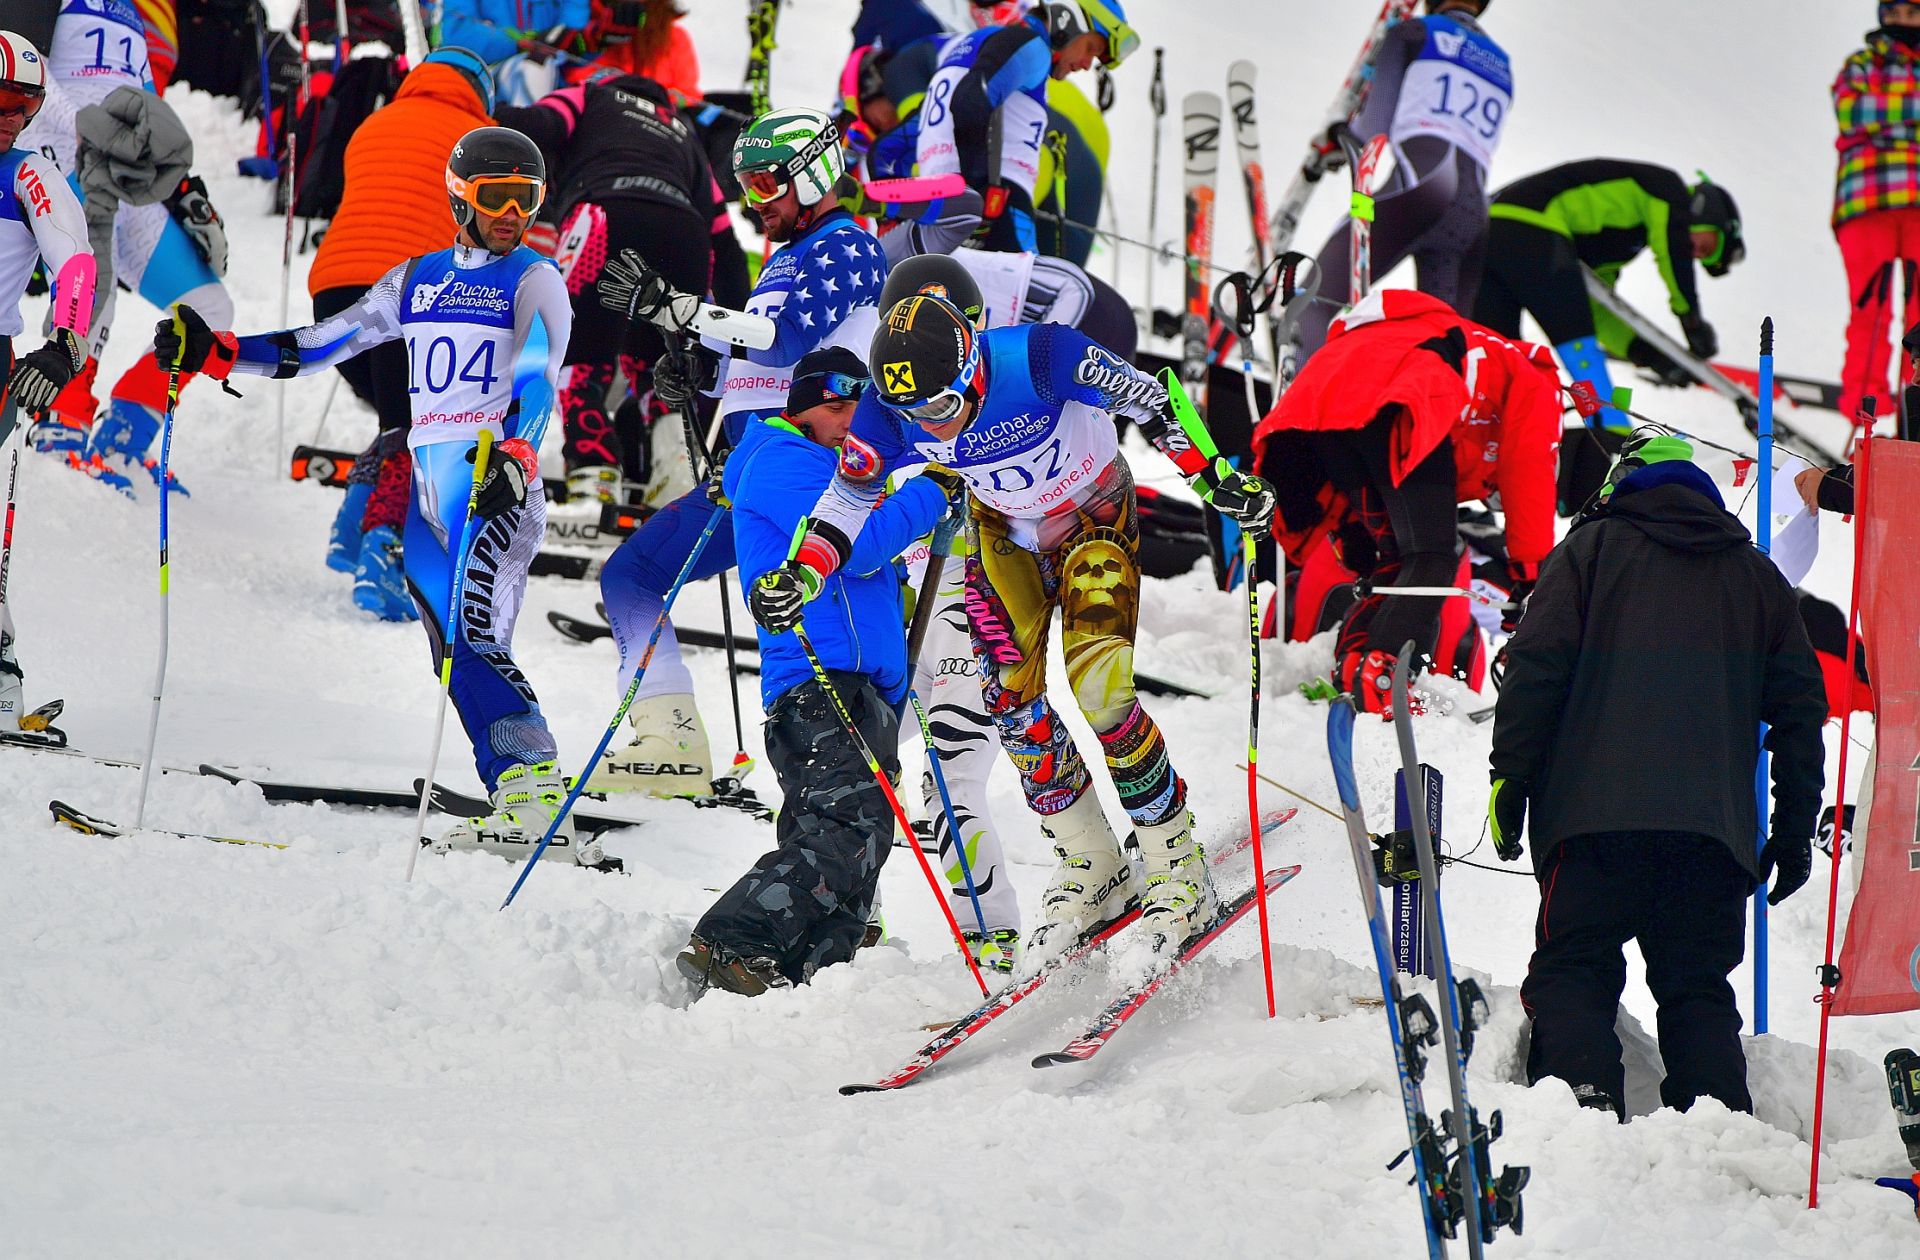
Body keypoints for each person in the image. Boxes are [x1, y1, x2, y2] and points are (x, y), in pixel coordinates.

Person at [748, 292, 1274, 957]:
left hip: (1094, 519)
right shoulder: (887, 411)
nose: (932, 429)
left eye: (940, 408)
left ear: (971, 366)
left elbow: (1155, 401)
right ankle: (1092, 861)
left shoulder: (1044, 357)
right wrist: (804, 573)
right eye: (913, 416)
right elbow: (848, 497)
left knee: (1101, 694)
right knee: (1009, 702)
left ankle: (1174, 858)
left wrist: (1218, 478)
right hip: (1003, 533)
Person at [153, 126, 604, 867]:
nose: (513, 214)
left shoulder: (535, 277)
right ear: (460, 196)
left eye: (528, 199)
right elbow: (325, 341)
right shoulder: (417, 279)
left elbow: (535, 370)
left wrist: (518, 455)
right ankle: (516, 791)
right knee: (450, 649)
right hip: (427, 488)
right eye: (497, 198)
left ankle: (535, 791)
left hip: (489, 475)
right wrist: (220, 352)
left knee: (474, 633)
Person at [1488, 431, 1828, 1119]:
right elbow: (1800, 714)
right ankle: (1719, 1132)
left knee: (1574, 970)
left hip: (1591, 829)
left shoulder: (1588, 551)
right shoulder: (1758, 577)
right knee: (1697, 989)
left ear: (1619, 485)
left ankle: (1579, 1115)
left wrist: (1510, 780)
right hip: (1710, 837)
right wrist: (1793, 833)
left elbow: (1535, 670)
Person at [584, 106, 887, 801]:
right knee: (629, 578)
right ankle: (671, 742)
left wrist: (681, 311)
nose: (756, 205)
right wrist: (700, 372)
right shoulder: (782, 260)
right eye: (745, 187)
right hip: (746, 473)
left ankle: (859, 784)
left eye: (767, 185)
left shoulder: (849, 247)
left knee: (811, 629)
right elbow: (759, 364)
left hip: (807, 476)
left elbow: (782, 340)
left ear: (814, 177)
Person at [679, 348, 950, 995]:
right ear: (799, 408)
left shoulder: (837, 465)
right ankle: (733, 936)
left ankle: (811, 972)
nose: (850, 419)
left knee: (861, 844)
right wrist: (931, 494)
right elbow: (856, 549)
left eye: (860, 408)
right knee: (845, 832)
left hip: (864, 688)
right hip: (817, 680)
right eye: (836, 406)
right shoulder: (780, 461)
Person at [1254, 289, 1560, 710]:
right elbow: (1530, 469)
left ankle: (1355, 669)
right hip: (1402, 394)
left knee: (1395, 563)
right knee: (1432, 558)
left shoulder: (1452, 340)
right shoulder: (1535, 378)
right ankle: (1379, 680)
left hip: (1321, 405)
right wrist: (1533, 577)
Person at [494, 67, 748, 510]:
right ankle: (674, 483)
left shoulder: (588, 96)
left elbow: (539, 126)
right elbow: (725, 241)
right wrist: (738, 327)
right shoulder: (681, 129)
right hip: (685, 230)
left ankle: (594, 480)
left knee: (579, 360)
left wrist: (480, 113)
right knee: (661, 369)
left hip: (603, 218)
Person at [307, 45, 497, 623]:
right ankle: (383, 555)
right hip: (408, 294)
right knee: (419, 429)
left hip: (334, 290)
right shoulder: (482, 142)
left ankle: (351, 528)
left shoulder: (377, 121)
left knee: (398, 420)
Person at [20, 0, 231, 495]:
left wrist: (184, 191)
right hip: (63, 157)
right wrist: (90, 125)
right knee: (95, 268)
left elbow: (143, 100)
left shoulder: (144, 10)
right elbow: (19, 59)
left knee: (210, 308)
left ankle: (123, 438)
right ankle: (60, 418)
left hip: (119, 165)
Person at [1474, 160, 1744, 513]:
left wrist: (1643, 352)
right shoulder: (1667, 191)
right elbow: (1673, 252)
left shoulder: (1611, 241)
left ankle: (1490, 453)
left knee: (1500, 356)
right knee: (1573, 336)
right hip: (1531, 222)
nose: (1693, 254)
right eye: (1704, 247)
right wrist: (1691, 320)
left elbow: (1597, 307)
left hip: (1486, 233)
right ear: (1705, 213)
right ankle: (1613, 429)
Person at [1291, 0, 1513, 363]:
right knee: (1444, 355)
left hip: (1417, 192)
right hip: (1472, 217)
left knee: (1312, 306)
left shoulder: (1412, 32)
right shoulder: (1502, 64)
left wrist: (1337, 135)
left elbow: (1372, 130)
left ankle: (1296, 414)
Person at [0, 30, 94, 740]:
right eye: (1, 99)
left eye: (25, 102)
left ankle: (1, 680)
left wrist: (64, 347)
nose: (11, 115)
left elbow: (76, 263)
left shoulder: (30, 171)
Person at [915, 0, 1134, 253]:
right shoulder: (1032, 48)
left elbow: (921, 122)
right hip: (998, 204)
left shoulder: (977, 42)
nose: (1086, 64)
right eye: (1091, 48)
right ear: (1067, 20)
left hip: (947, 198)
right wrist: (980, 189)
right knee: (1068, 288)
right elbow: (970, 102)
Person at [1833, 2, 1920, 427]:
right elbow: (1851, 113)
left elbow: (1868, 115)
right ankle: (1864, 418)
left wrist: (1884, 116)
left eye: (1913, 11)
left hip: (1898, 195)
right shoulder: (1861, 62)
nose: (1903, 21)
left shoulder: (1868, 69)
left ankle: (1914, 417)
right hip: (1869, 199)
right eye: (1896, 11)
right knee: (1872, 306)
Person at [435, 0, 588, 67]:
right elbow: (457, 32)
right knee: (532, 73)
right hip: (494, 71)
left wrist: (567, 33)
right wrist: (519, 44)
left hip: (561, 67)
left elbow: (575, 12)